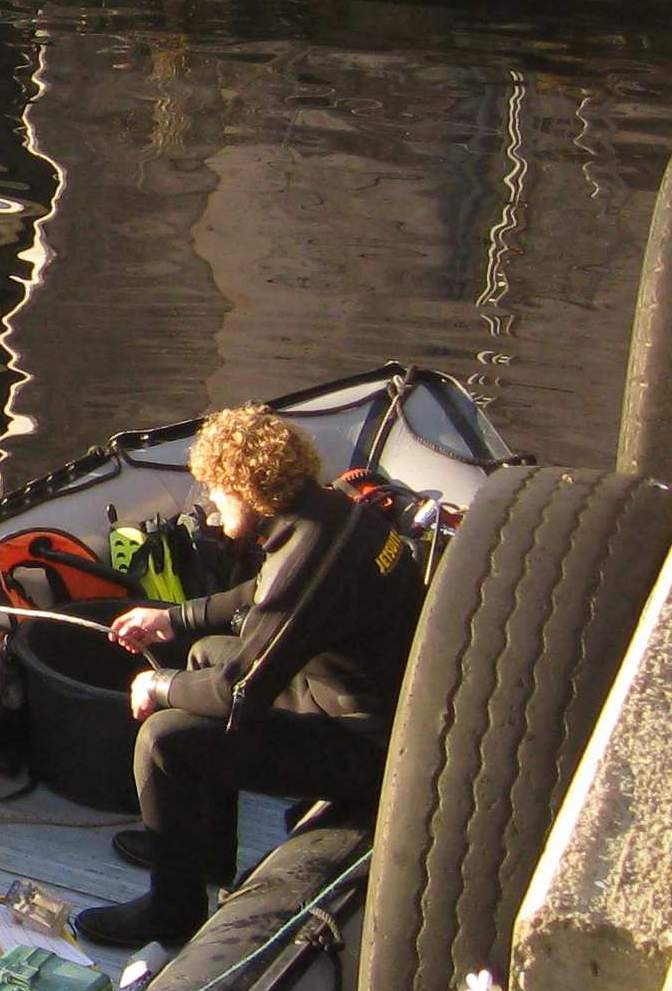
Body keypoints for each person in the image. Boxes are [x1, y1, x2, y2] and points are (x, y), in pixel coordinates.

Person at [71, 405, 426, 951]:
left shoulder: (309, 554)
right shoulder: (328, 512)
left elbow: (238, 693)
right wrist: (169, 619)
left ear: (247, 487)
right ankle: (198, 850)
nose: (211, 509)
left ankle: (172, 913)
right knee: (204, 652)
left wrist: (154, 686)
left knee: (163, 740)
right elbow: (258, 596)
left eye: (216, 492)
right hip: (350, 695)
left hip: (366, 747)